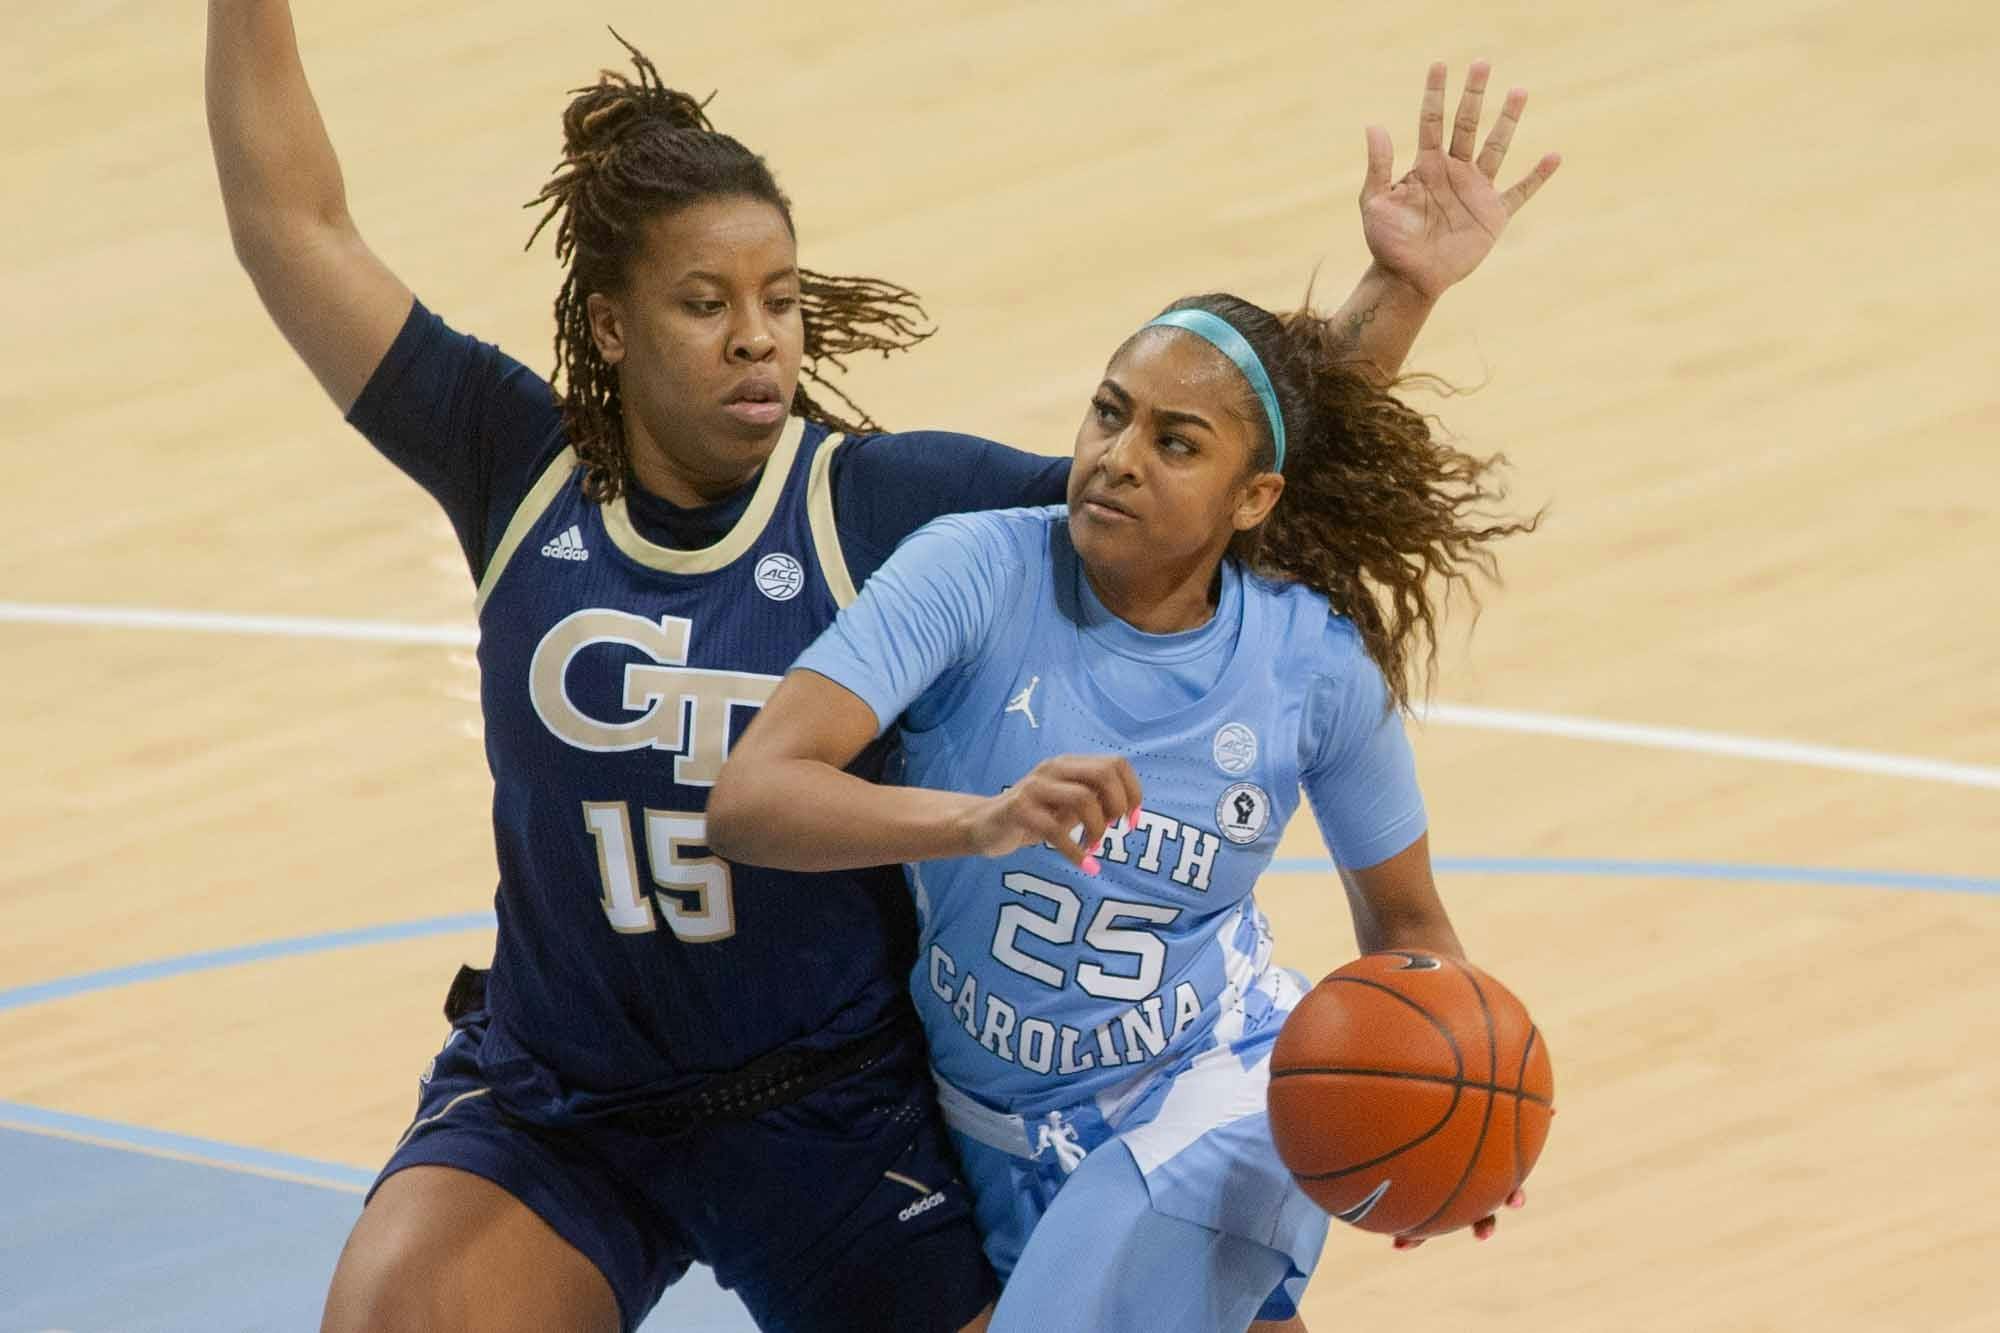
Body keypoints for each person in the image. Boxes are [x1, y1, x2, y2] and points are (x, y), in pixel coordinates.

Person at [206, 1, 1558, 1328]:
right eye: (705, 302)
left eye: (781, 300)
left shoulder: (887, 508)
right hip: (566, 1095)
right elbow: (293, 227)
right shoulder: (514, 465)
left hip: (833, 1117)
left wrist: (1395, 294)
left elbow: (1205, 482)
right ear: (612, 328)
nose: (758, 336)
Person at [707, 280, 1540, 1330]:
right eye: (1109, 412)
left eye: (1175, 442)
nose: (1118, 455)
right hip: (997, 1125)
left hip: (1214, 1089)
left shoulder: (1312, 667)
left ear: (1253, 499)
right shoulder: (972, 570)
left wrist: (1456, 1110)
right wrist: (978, 819)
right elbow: (748, 800)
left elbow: (1407, 925)